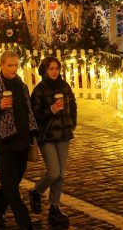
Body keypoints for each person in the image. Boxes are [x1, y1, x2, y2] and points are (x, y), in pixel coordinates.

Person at [0, 51, 38, 230]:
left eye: (16, 65)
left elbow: (28, 112)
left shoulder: (22, 86)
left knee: (14, 180)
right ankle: (24, 222)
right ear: (1, 66)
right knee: (11, 187)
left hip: (21, 143)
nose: (13, 69)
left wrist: (32, 134)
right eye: (10, 65)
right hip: (3, 144)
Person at [29, 56, 77, 227]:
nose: (54, 71)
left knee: (61, 175)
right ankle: (36, 191)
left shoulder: (65, 86)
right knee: (53, 172)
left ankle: (54, 206)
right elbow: (35, 115)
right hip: (47, 135)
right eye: (51, 68)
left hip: (63, 134)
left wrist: (72, 123)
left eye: (56, 68)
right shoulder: (39, 90)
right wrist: (51, 109)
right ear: (45, 70)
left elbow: (73, 104)